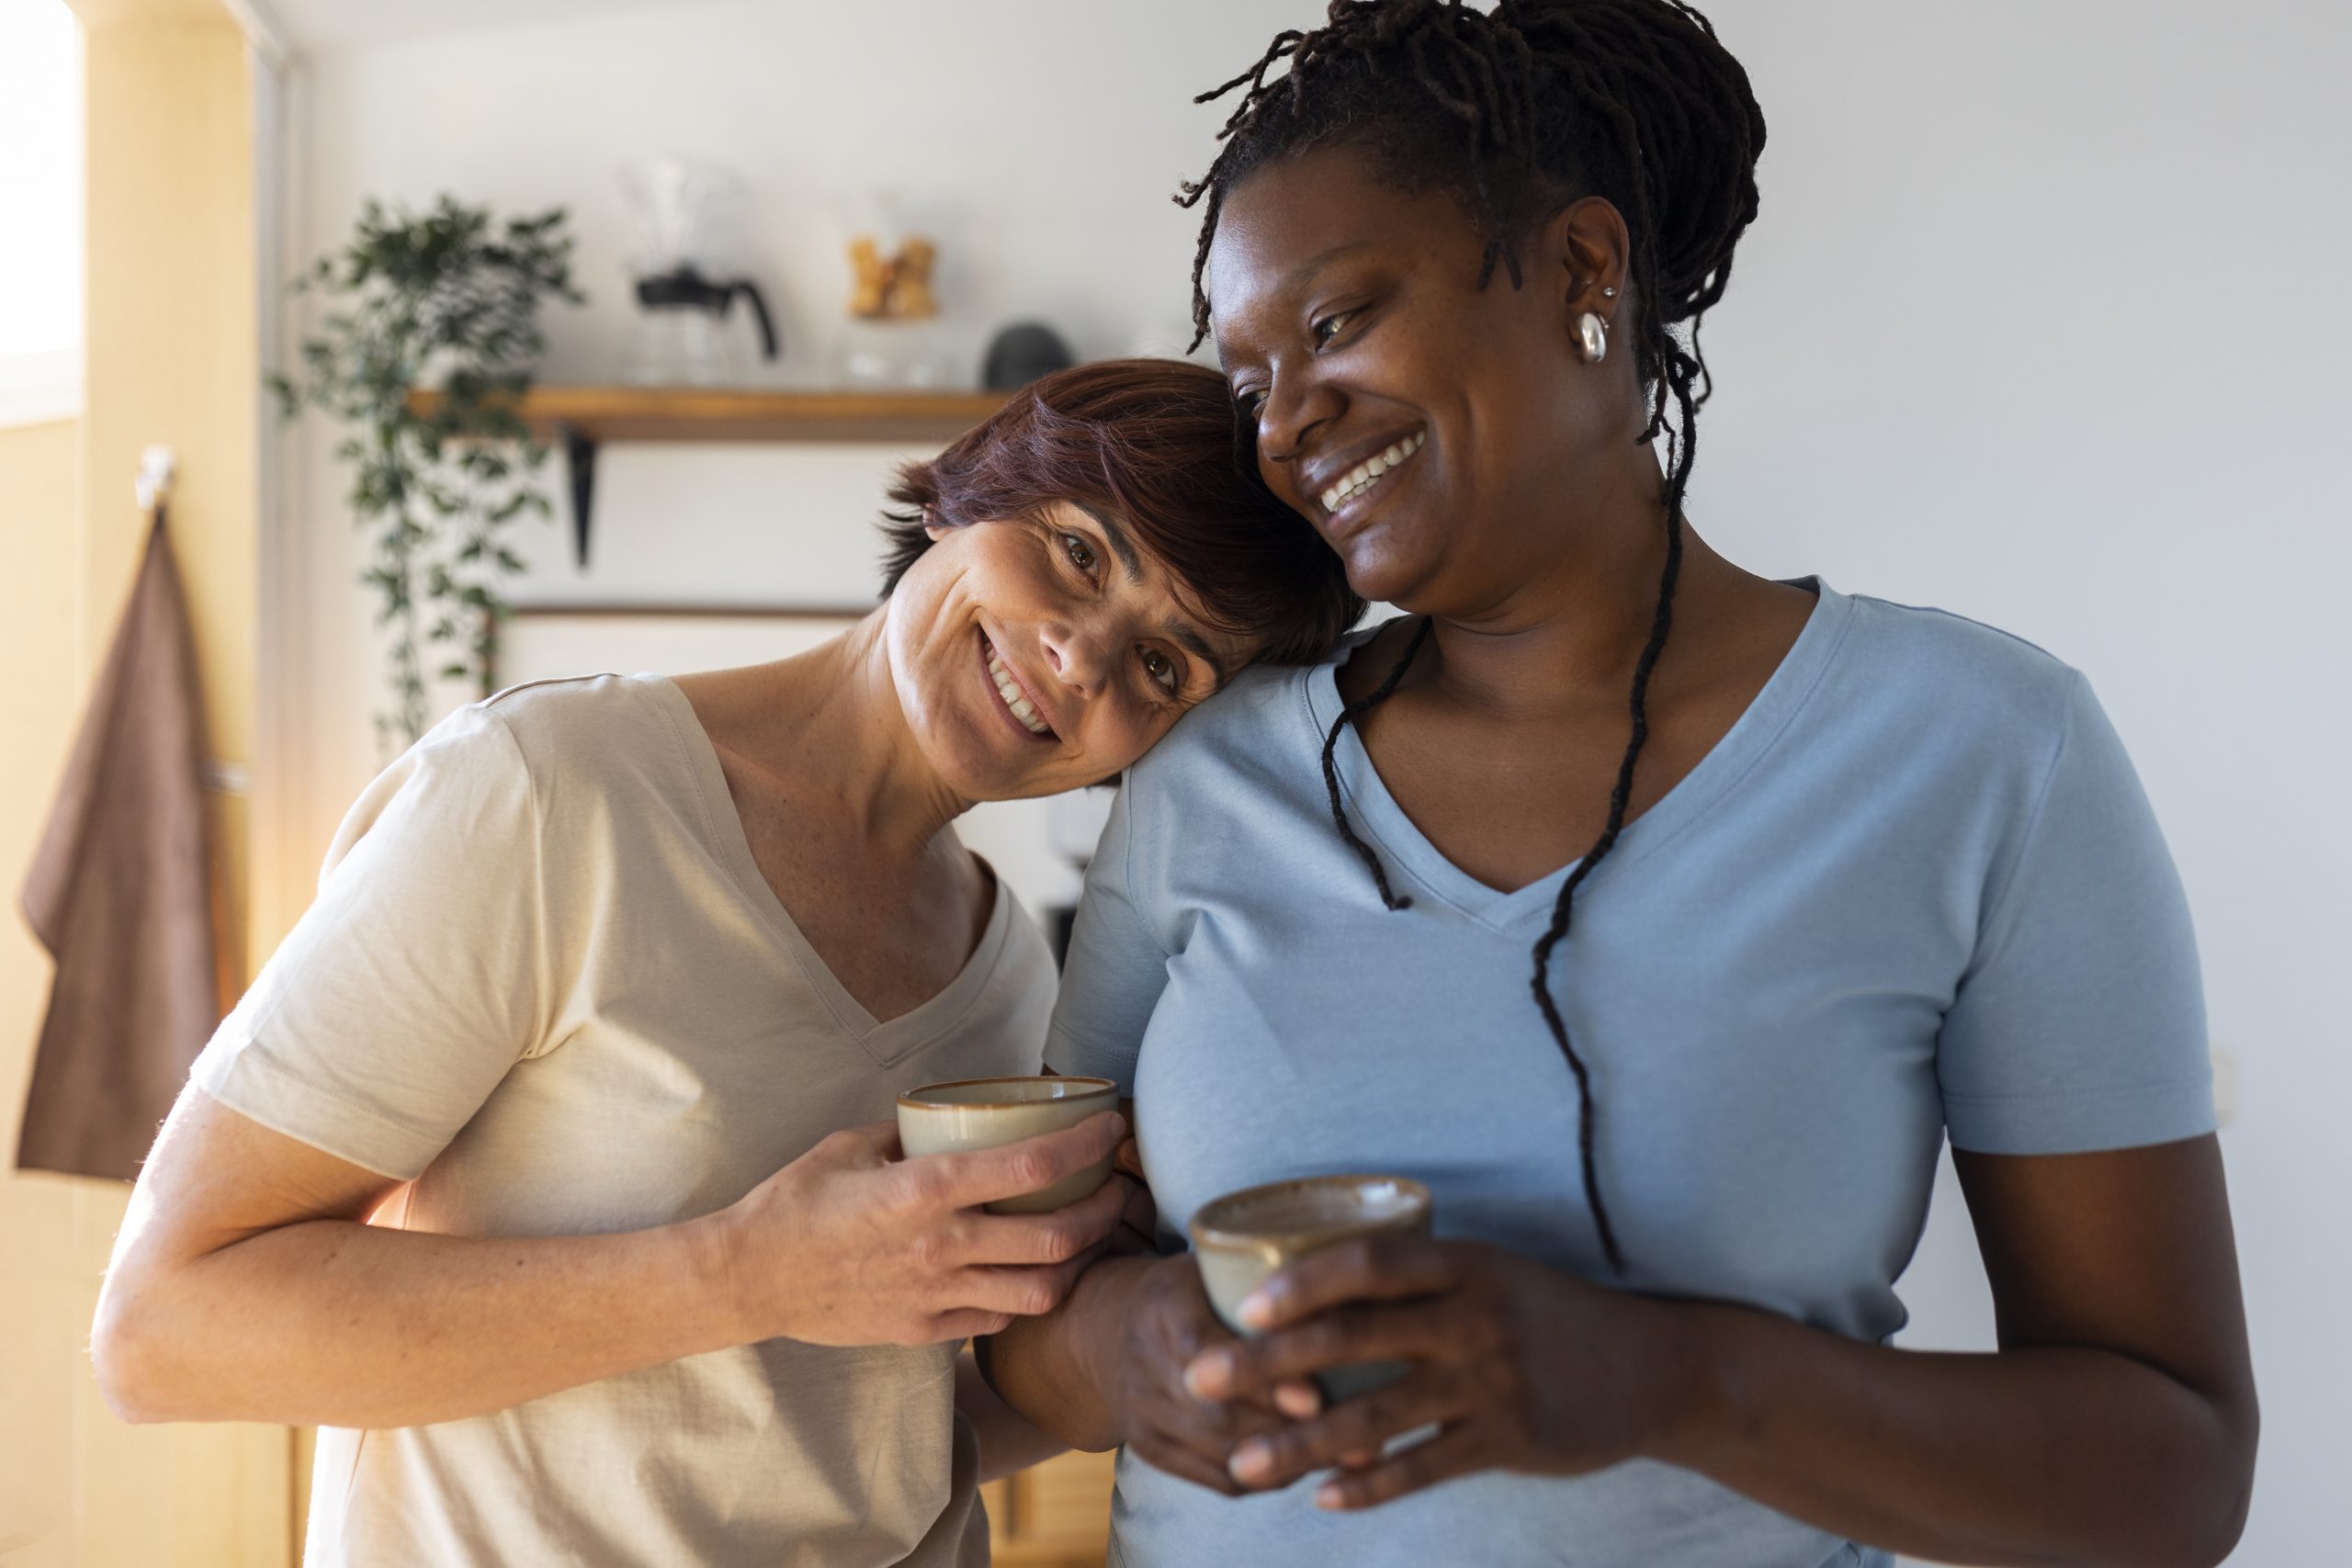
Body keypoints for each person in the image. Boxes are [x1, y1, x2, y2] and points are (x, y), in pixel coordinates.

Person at [984, 6, 2258, 1566]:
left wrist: (1671, 1381)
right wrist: (1123, 1349)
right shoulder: (1207, 767)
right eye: (1249, 380)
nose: (1286, 429)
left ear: (1588, 272)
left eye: (1334, 325)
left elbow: (2173, 1476)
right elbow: (1024, 1308)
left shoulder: (1985, 751)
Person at [89, 359, 1362, 1567]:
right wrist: (747, 1273)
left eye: (1161, 664)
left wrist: (1137, 1361)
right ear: (971, 492)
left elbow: (872, 1441)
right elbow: (164, 1330)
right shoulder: (549, 797)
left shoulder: (1015, 980)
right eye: (1080, 552)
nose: (1082, 656)